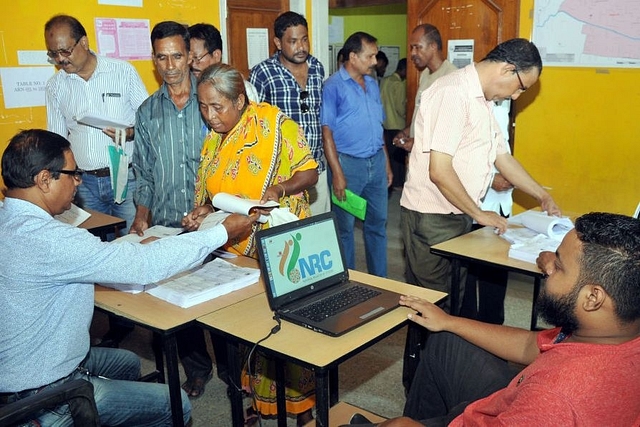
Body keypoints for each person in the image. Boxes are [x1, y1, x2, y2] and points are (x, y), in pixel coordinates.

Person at [0, 129, 258, 427]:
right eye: (73, 173)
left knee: (130, 362)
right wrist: (222, 232)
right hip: (45, 394)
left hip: (19, 367)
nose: (78, 181)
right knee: (176, 404)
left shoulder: (11, 221)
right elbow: (143, 266)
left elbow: (76, 259)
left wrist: (132, 252)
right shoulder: (51, 239)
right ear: (45, 179)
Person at [370, 212, 640, 426]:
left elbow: (547, 403)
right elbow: (531, 345)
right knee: (447, 340)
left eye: (558, 266)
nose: (548, 271)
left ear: (593, 298)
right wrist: (448, 321)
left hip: (521, 408)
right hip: (507, 402)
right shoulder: (614, 331)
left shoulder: (555, 398)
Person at [182, 63, 318, 425]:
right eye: (203, 106)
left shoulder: (274, 125)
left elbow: (309, 171)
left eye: (217, 107)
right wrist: (203, 209)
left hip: (280, 244)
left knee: (285, 327)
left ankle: (301, 409)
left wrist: (280, 189)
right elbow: (220, 191)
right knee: (247, 327)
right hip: (234, 246)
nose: (209, 116)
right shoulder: (215, 136)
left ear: (240, 100)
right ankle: (259, 401)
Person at [400, 38, 561, 312]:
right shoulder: (453, 93)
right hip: (432, 218)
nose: (515, 96)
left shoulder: (483, 101)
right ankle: (428, 356)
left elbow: (503, 157)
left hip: (457, 214)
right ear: (508, 70)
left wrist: (541, 195)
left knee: (455, 300)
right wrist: (478, 213)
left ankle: (450, 355)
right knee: (434, 307)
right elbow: (439, 170)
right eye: (521, 87)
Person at [132, 21, 216, 398]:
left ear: (190, 56)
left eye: (177, 55)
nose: (170, 65)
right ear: (154, 60)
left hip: (213, 221)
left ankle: (237, 376)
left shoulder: (212, 101)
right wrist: (141, 216)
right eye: (162, 57)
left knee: (223, 303)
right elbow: (143, 171)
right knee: (177, 307)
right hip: (168, 224)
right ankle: (197, 369)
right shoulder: (148, 112)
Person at [44, 15, 148, 235]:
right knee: (95, 246)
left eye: (65, 51)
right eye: (53, 54)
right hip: (84, 184)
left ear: (84, 42)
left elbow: (149, 122)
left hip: (126, 178)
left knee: (135, 242)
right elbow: (57, 139)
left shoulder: (122, 72)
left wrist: (130, 133)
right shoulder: (56, 86)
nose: (61, 59)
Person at [321, 31, 392, 278]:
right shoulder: (333, 86)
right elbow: (327, 133)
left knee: (378, 226)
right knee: (345, 230)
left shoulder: (372, 84)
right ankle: (348, 283)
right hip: (348, 167)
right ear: (353, 56)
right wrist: (337, 174)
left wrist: (387, 164)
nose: (375, 61)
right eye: (370, 56)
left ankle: (380, 281)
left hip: (376, 163)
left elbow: (378, 126)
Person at [249, 11, 329, 215]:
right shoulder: (263, 72)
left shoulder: (317, 68)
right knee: (288, 239)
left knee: (318, 235)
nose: (301, 47)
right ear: (278, 42)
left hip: (317, 168)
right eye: (293, 41)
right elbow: (253, 122)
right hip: (282, 175)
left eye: (304, 39)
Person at [462, 100, 514, 324]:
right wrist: (491, 179)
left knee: (496, 270)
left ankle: (493, 324)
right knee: (469, 271)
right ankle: (468, 325)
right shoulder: (470, 105)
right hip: (476, 202)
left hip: (501, 203)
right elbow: (459, 157)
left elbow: (504, 152)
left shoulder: (504, 105)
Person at [392, 24, 458, 152]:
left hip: (435, 160)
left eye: (417, 47)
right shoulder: (425, 75)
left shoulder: (452, 77)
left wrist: (418, 144)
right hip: (417, 158)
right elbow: (422, 116)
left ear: (433, 46)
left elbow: (450, 128)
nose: (412, 53)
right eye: (412, 48)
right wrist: (407, 132)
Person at [188, 22, 259, 101]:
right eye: (189, 58)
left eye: (196, 58)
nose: (193, 64)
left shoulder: (242, 88)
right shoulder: (185, 87)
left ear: (216, 55)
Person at [380, 58, 407, 190]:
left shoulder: (384, 81)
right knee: (398, 158)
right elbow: (400, 107)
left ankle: (390, 180)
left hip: (385, 125)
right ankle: (397, 183)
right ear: (404, 69)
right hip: (397, 124)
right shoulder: (399, 84)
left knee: (389, 156)